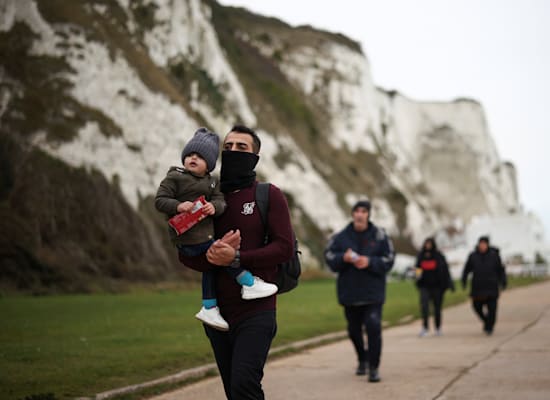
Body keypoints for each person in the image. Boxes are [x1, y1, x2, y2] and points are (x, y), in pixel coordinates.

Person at [178, 125, 294, 400]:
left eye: (241, 147)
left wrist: (238, 258)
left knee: (244, 385)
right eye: (227, 147)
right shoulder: (205, 199)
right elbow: (185, 254)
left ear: (255, 157)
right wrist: (210, 257)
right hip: (216, 315)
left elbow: (284, 248)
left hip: (258, 311)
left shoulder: (269, 195)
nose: (232, 152)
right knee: (234, 391)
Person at [155, 127, 278, 332]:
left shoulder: (213, 183)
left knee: (213, 264)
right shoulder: (175, 177)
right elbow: (160, 201)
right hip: (189, 238)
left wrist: (213, 207)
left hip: (204, 236)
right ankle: (247, 283)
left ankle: (210, 306)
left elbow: (220, 202)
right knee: (221, 255)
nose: (193, 158)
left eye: (200, 157)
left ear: (209, 165)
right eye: (190, 155)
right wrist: (178, 206)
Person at [324, 200, 395, 383]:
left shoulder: (380, 235)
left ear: (369, 214)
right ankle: (362, 359)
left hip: (373, 293)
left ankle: (373, 367)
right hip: (350, 293)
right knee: (354, 331)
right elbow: (330, 257)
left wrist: (370, 262)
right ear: (353, 214)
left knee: (373, 326)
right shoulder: (340, 237)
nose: (360, 214)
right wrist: (344, 258)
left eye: (364, 211)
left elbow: (389, 259)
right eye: (357, 210)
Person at [461, 236, 507, 335]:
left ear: (487, 244)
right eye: (481, 244)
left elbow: (500, 270)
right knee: (476, 306)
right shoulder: (473, 256)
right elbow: (466, 269)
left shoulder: (494, 255)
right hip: (478, 287)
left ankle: (489, 327)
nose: (482, 246)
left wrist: (503, 282)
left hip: (491, 287)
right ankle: (486, 321)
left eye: (484, 244)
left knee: (492, 310)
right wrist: (464, 281)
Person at [415, 237, 455, 337]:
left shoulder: (439, 256)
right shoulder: (421, 256)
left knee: (437, 308)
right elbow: (418, 269)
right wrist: (418, 280)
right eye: (426, 244)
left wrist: (449, 284)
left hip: (437, 287)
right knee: (424, 307)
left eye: (430, 244)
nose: (428, 246)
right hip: (424, 286)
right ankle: (425, 328)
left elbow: (445, 270)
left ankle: (438, 328)